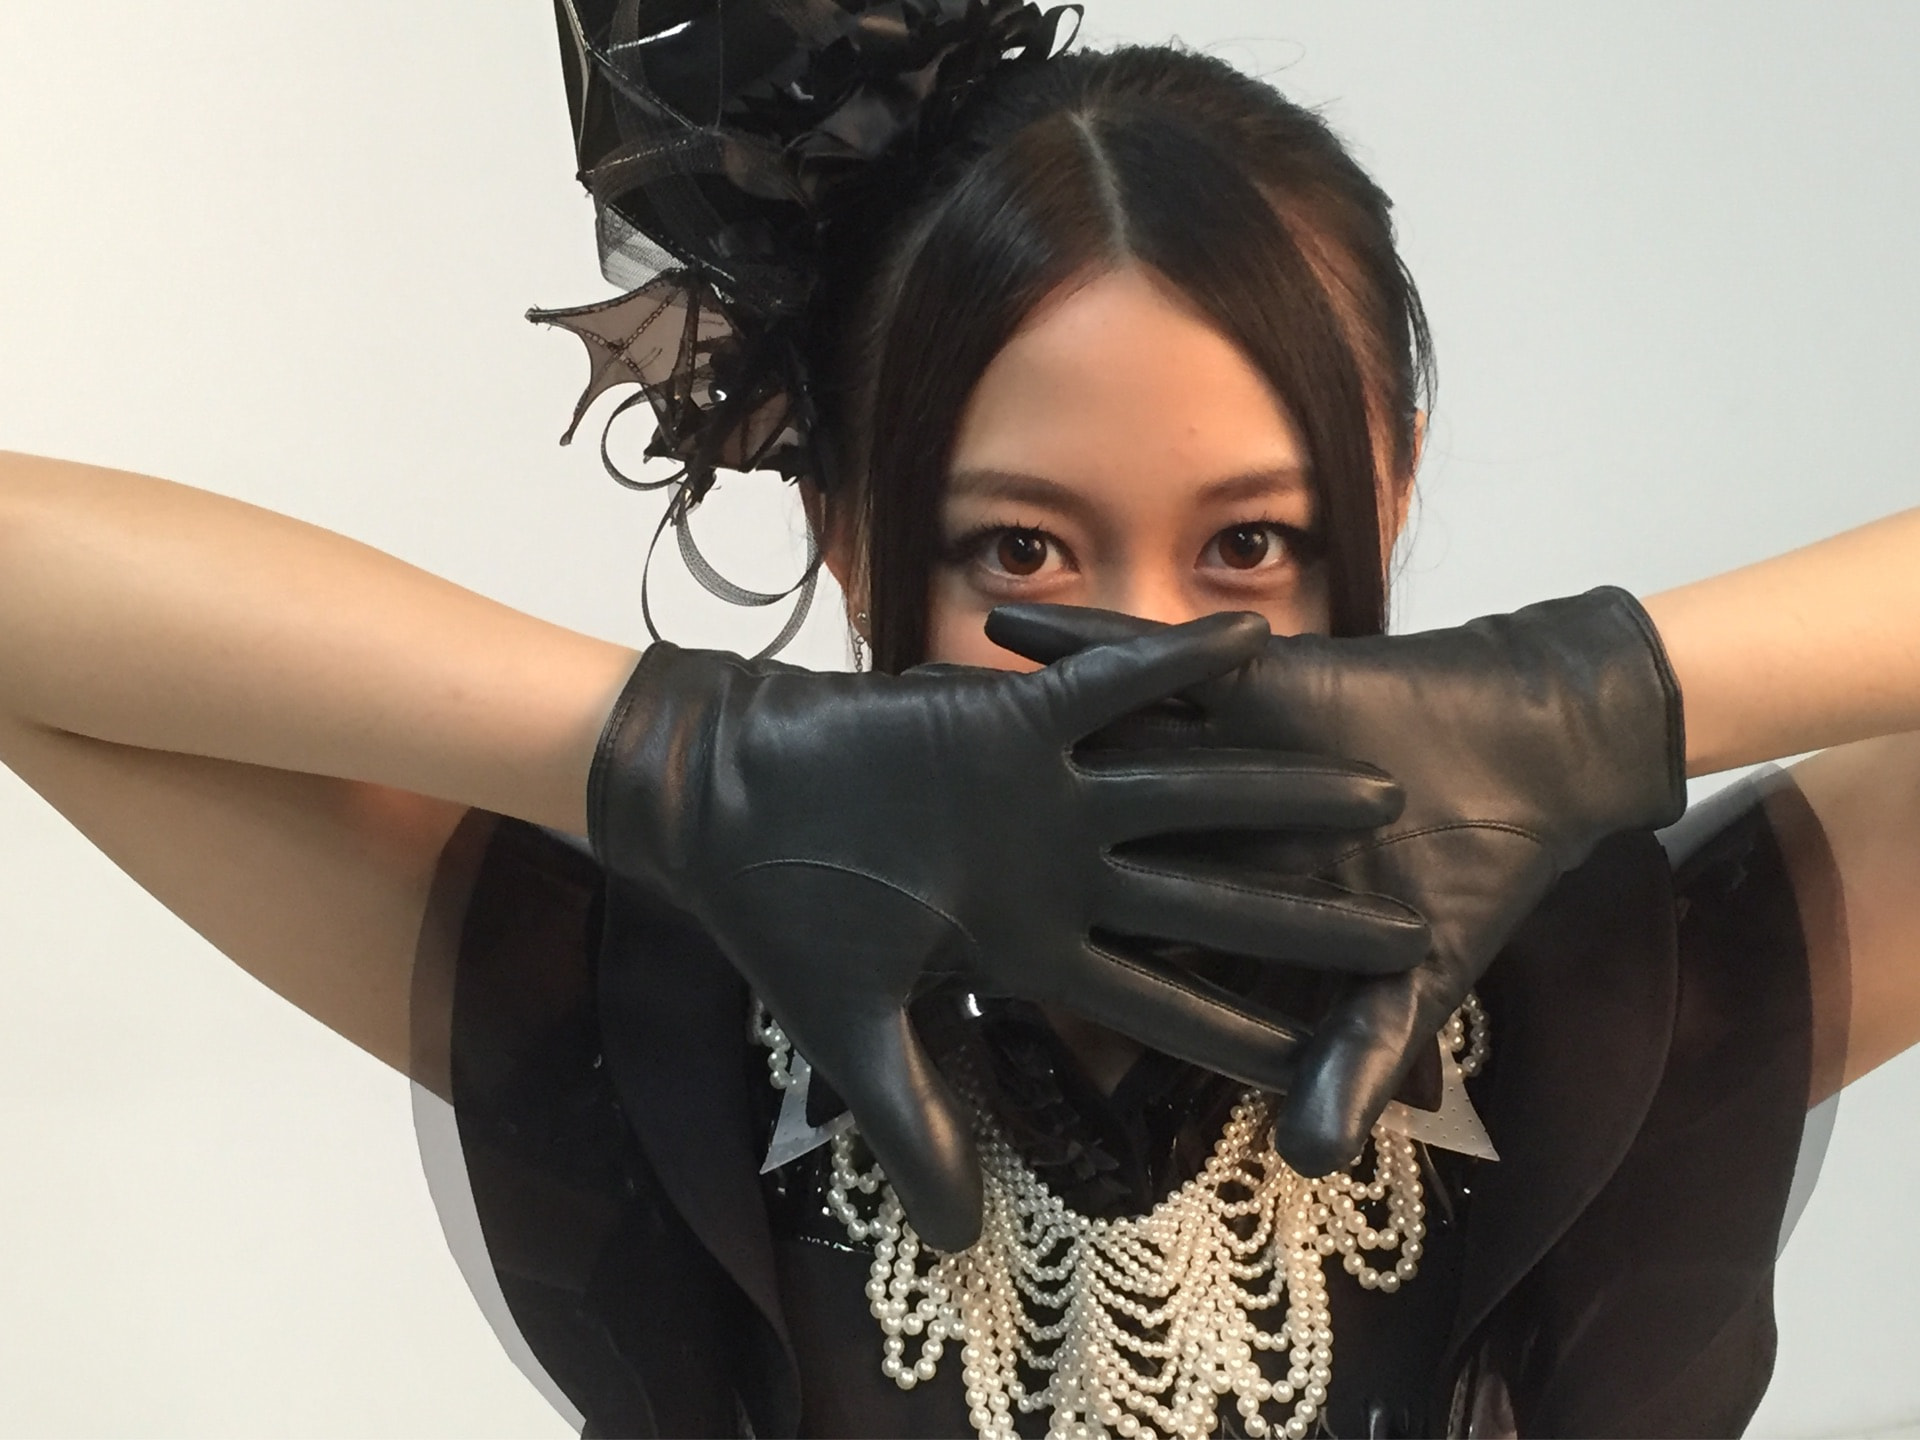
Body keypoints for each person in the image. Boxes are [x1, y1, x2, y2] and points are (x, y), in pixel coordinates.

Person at [2, 4, 1917, 1438]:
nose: (1133, 662)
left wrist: (1594, 698)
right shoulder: (657, 1026)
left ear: (1388, 493)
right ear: (853, 538)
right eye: (1022, 549)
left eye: (1250, 543)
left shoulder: (1615, 1006)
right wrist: (688, 760)